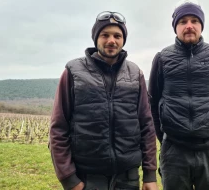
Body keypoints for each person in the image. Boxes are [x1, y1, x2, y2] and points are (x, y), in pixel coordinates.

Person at [49, 11, 158, 190]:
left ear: (123, 40)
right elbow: (58, 127)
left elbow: (146, 125)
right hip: (87, 177)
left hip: (127, 177)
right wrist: (69, 179)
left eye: (117, 35)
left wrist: (149, 174)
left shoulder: (135, 74)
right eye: (104, 35)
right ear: (95, 38)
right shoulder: (73, 72)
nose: (111, 41)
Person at [148, 0, 209, 190]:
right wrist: (163, 138)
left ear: (201, 26)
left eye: (194, 20)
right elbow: (153, 104)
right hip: (174, 151)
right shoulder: (162, 58)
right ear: (176, 28)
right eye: (183, 21)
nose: (189, 26)